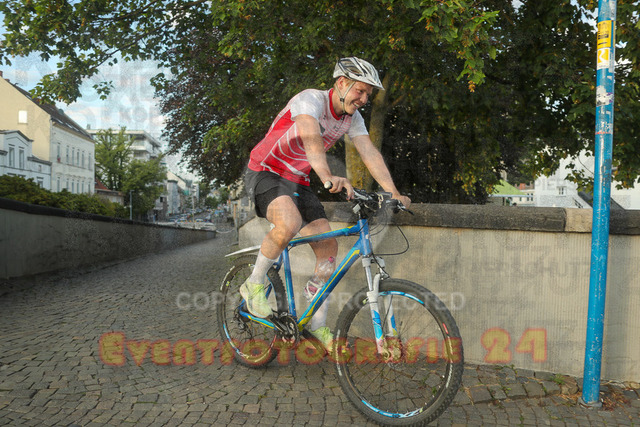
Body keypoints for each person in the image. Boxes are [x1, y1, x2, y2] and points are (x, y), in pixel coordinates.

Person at [240, 57, 411, 351]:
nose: (364, 99)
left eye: (368, 94)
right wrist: (328, 176)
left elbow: (368, 152)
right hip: (266, 171)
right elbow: (310, 136)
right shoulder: (310, 100)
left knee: (328, 250)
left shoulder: (352, 118)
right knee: (289, 223)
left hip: (297, 180)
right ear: (341, 83)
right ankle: (254, 283)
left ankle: (316, 324)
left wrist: (393, 192)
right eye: (360, 90)